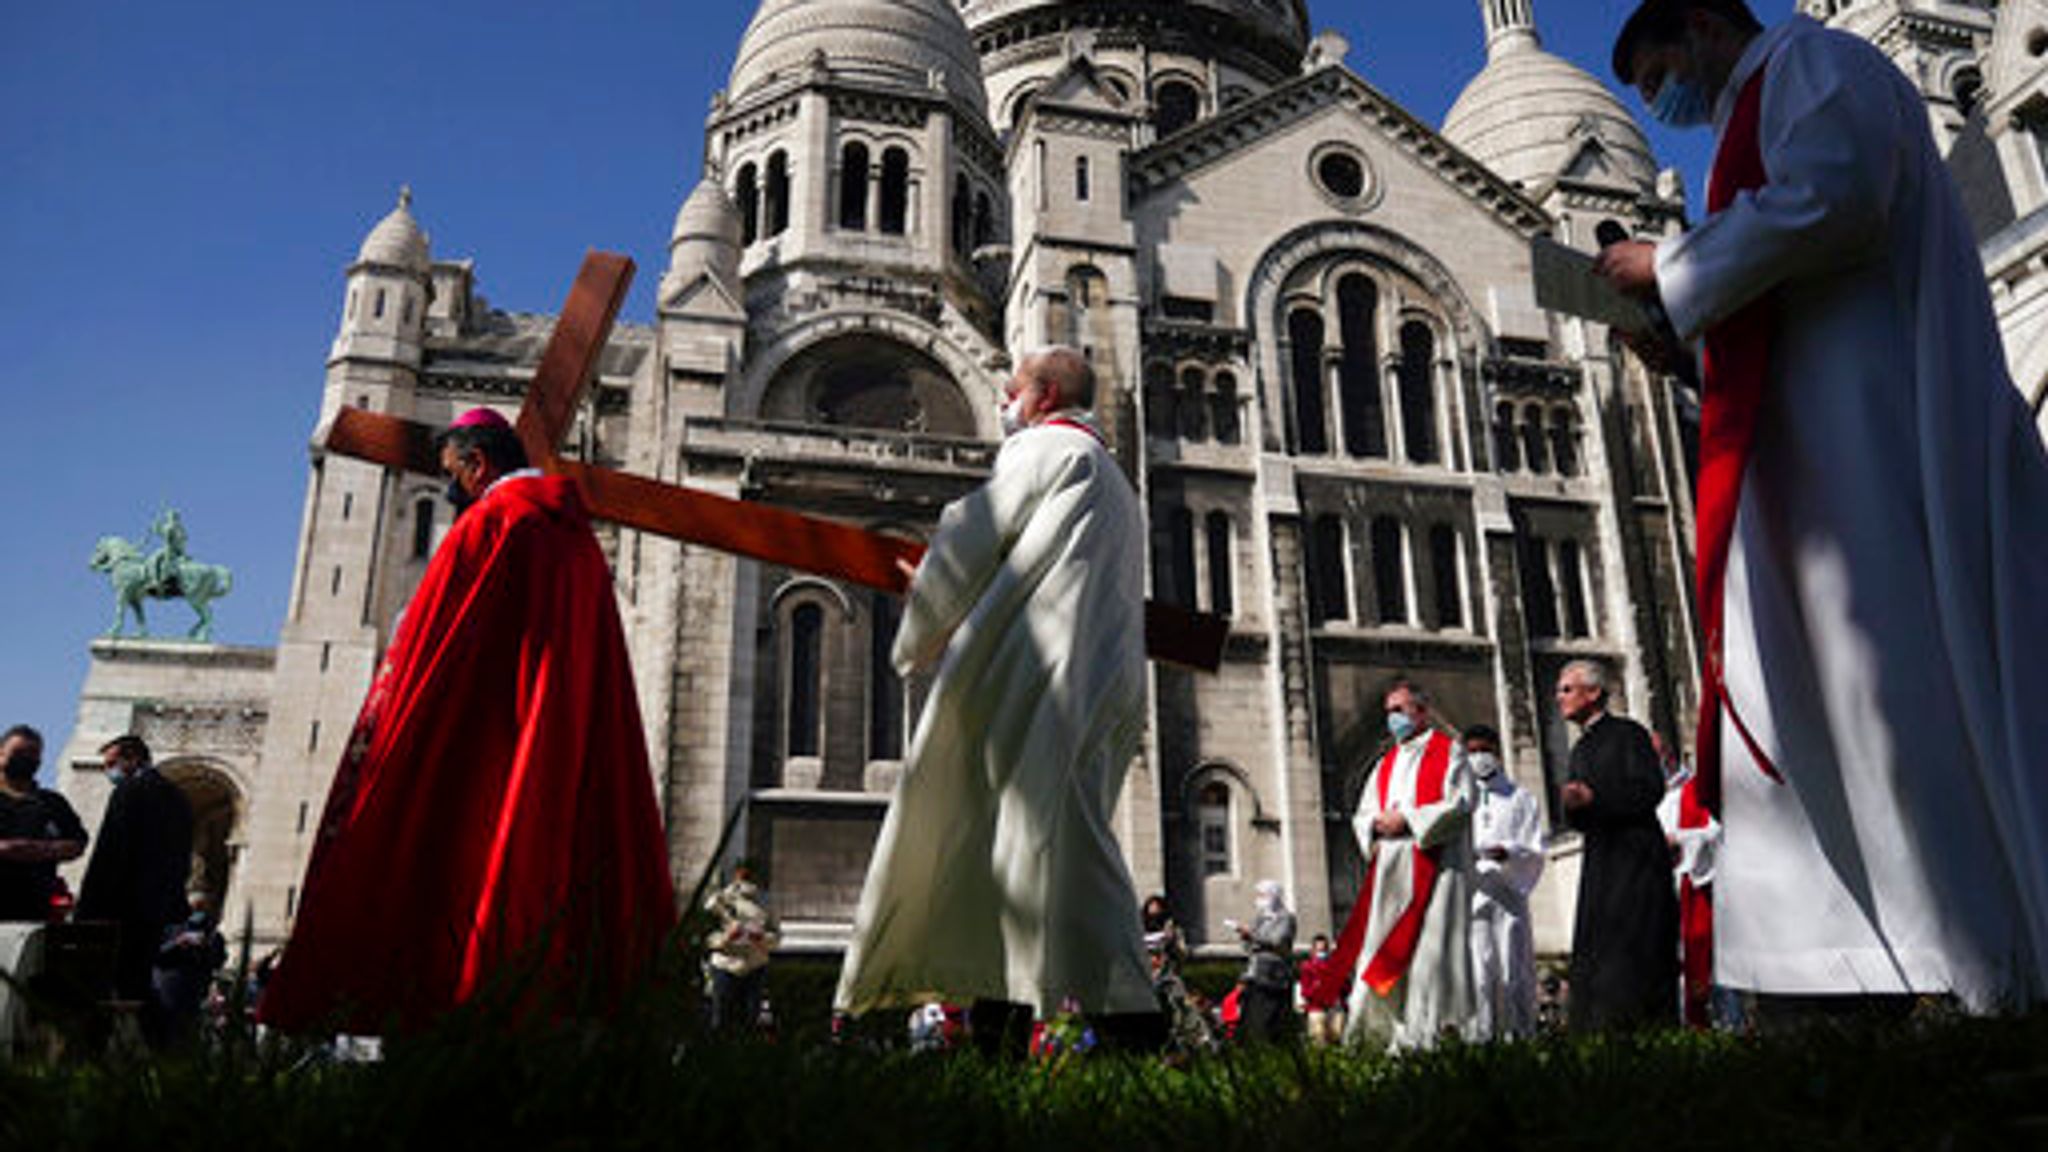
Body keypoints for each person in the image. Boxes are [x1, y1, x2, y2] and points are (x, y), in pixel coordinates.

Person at [1598, 0, 2048, 1015]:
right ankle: (1858, 973)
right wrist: (1683, 345)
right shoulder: (1751, 113)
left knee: (1895, 692)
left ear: (1704, 23)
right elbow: (1783, 296)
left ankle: (1965, 969)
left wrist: (1666, 265)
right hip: (1810, 465)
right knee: (1823, 712)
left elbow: (1837, 197)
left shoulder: (1814, 62)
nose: (1659, 102)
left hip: (1877, 444)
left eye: (1657, 70)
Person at [257, 408, 676, 1034]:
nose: (449, 491)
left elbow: (428, 649)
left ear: (478, 465)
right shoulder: (571, 529)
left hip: (486, 736)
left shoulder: (494, 521)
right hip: (559, 733)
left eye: (452, 475)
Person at [834, 347, 1160, 1043]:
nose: (1006, 402)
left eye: (1012, 390)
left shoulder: (1044, 451)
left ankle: (1036, 1021)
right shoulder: (1115, 482)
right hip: (1104, 680)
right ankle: (1076, 1020)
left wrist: (917, 626)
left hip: (1035, 669)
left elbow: (969, 537)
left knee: (1001, 840)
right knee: (1060, 843)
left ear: (1043, 395)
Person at [1333, 680, 1477, 1050]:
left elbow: (1460, 803)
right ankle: (1382, 1037)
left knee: (1432, 952)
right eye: (1389, 712)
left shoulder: (1450, 754)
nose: (1393, 719)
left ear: (1422, 711)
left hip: (1436, 871)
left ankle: (1433, 1037)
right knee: (1383, 947)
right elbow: (1363, 813)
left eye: (1400, 709)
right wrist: (1374, 827)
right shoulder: (1384, 763)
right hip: (1391, 874)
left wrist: (1409, 820)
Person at [1555, 661, 1677, 1031]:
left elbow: (1648, 790)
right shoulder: (1580, 749)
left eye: (1566, 689)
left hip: (1636, 862)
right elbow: (1581, 815)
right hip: (1602, 864)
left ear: (1593, 692)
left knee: (1636, 954)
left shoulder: (1628, 734)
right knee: (1599, 956)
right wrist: (1573, 806)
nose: (1559, 698)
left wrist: (1595, 797)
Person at [76, 734, 192, 1041]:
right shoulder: (178, 797)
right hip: (156, 910)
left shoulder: (130, 791)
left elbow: (111, 854)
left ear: (133, 759)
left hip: (121, 907)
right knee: (136, 979)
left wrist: (87, 909)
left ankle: (101, 1047)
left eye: (112, 763)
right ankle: (161, 1045)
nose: (109, 771)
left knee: (107, 982)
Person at [1464, 724, 1544, 1041]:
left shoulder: (1520, 798)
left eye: (1483, 750)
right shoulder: (1460, 800)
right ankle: (1480, 1038)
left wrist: (1508, 851)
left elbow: (1535, 849)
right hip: (1472, 895)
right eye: (1470, 753)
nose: (1478, 758)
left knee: (1514, 970)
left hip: (1508, 893)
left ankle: (1520, 1038)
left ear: (1496, 753)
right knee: (1478, 972)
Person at [1654, 732, 1723, 1027]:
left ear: (1667, 755)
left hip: (1698, 892)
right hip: (1661, 898)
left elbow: (1719, 833)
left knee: (1706, 970)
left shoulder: (1698, 788)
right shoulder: (1646, 798)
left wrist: (1680, 841)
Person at [0, 725, 88, 923]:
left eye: (33, 753)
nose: (26, 758)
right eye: (19, 752)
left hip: (34, 912)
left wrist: (38, 849)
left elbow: (77, 843)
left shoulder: (53, 803)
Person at [704, 862, 779, 1035]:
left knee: (751, 1024)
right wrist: (725, 938)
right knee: (721, 1022)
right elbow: (705, 937)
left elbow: (776, 937)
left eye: (749, 875)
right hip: (725, 967)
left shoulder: (766, 902)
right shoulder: (719, 900)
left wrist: (760, 938)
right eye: (741, 874)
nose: (745, 879)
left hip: (755, 967)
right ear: (734, 876)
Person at [154, 894, 227, 1045]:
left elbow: (217, 961)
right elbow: (156, 955)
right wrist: (178, 942)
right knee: (164, 1037)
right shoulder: (170, 927)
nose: (198, 912)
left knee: (186, 1038)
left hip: (195, 994)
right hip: (167, 991)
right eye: (195, 907)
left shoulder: (213, 934)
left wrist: (208, 946)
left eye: (202, 908)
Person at [1232, 880, 1297, 1043]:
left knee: (1269, 1018)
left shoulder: (1285, 918)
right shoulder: (1261, 918)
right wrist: (1245, 938)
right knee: (1251, 1017)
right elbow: (1252, 944)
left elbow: (1277, 940)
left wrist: (1252, 936)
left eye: (1263, 895)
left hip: (1274, 975)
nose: (1259, 899)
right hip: (1256, 972)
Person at [1296, 934, 1349, 1046]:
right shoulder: (1308, 967)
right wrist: (1316, 986)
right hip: (1317, 1008)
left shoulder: (1336, 966)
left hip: (1335, 1008)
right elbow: (1305, 992)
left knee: (1336, 1038)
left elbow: (1347, 988)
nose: (1322, 954)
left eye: (1324, 950)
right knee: (1318, 1040)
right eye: (1319, 950)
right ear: (1313, 951)